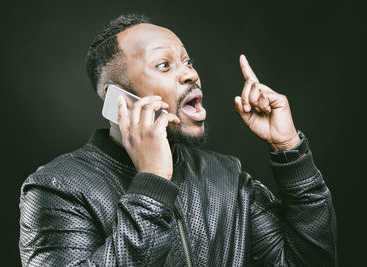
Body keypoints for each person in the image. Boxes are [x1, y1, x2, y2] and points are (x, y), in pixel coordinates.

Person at [19, 14, 337, 266]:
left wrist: (291, 151)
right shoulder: (55, 188)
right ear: (118, 99)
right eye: (164, 65)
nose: (190, 74)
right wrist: (153, 183)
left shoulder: (227, 178)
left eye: (187, 62)